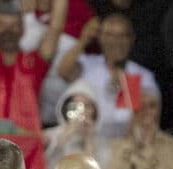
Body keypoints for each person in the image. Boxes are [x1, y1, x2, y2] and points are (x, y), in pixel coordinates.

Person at [0, 0, 69, 132]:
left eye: (14, 25)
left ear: (23, 29)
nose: (8, 31)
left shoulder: (35, 62)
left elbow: (55, 29)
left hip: (26, 142)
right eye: (1, 25)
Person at [56, 12, 160, 142]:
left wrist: (125, 84)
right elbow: (63, 72)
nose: (116, 42)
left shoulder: (143, 76)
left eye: (123, 36)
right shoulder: (88, 64)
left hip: (126, 147)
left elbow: (149, 118)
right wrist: (84, 40)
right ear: (100, 37)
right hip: (88, 142)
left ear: (132, 39)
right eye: (110, 35)